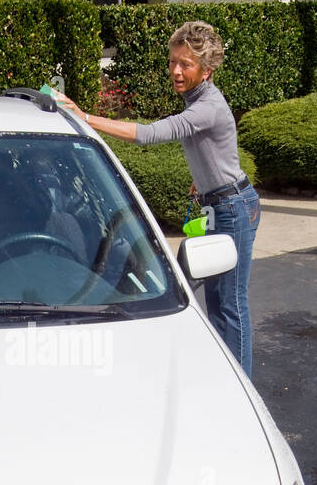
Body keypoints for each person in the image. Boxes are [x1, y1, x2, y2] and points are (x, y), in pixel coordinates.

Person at [55, 21, 261, 379]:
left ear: (207, 70)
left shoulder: (207, 106)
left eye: (186, 65)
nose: (177, 71)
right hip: (219, 203)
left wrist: (84, 117)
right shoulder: (198, 99)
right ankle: (226, 375)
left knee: (230, 304)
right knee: (215, 300)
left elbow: (151, 135)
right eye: (173, 62)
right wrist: (204, 182)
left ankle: (242, 387)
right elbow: (216, 151)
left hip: (233, 209)